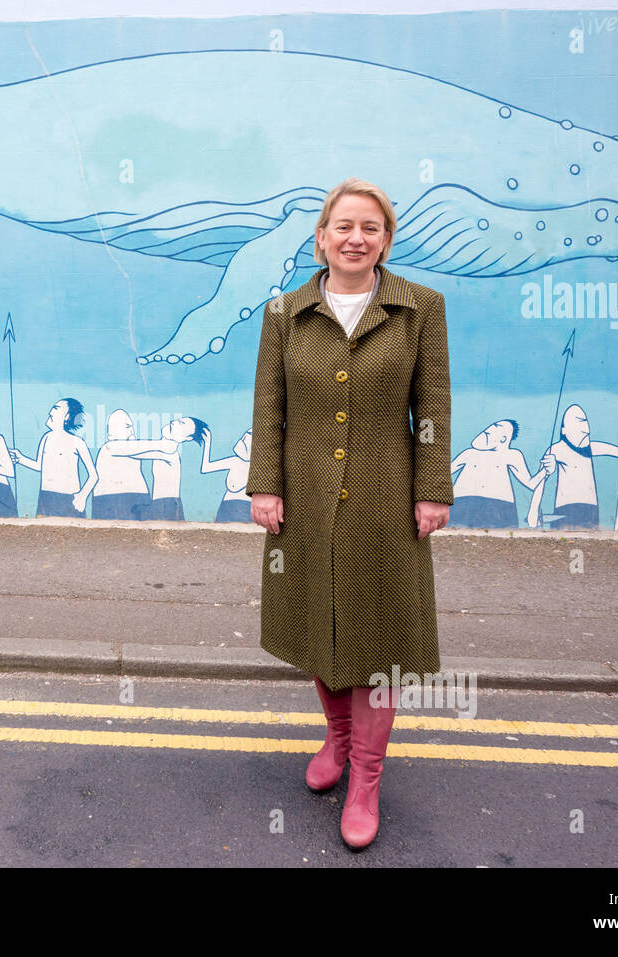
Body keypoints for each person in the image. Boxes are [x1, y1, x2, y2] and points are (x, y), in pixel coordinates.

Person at [247, 177, 453, 851]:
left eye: (370, 227)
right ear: (321, 237)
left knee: (380, 639)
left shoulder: (422, 308)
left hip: (385, 499)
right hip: (303, 497)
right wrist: (265, 485)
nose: (356, 237)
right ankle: (337, 742)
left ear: (386, 239)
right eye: (344, 226)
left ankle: (365, 778)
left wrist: (432, 490)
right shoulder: (284, 312)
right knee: (319, 619)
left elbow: (433, 407)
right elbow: (268, 408)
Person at [10, 398, 97, 518]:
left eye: (56, 408)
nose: (51, 411)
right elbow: (39, 465)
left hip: (70, 498)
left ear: (66, 416)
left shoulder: (77, 442)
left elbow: (93, 476)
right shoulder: (46, 437)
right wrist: (20, 458)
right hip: (46, 497)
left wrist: (82, 496)